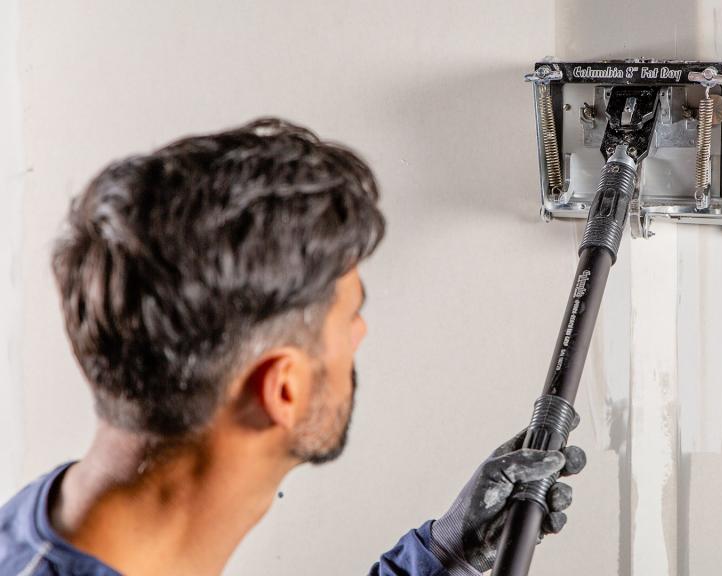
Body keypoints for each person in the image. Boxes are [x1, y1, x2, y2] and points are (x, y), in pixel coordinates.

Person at [0, 119, 586, 576]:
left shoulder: (76, 532)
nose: (360, 334)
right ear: (282, 388)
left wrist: (444, 555)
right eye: (350, 316)